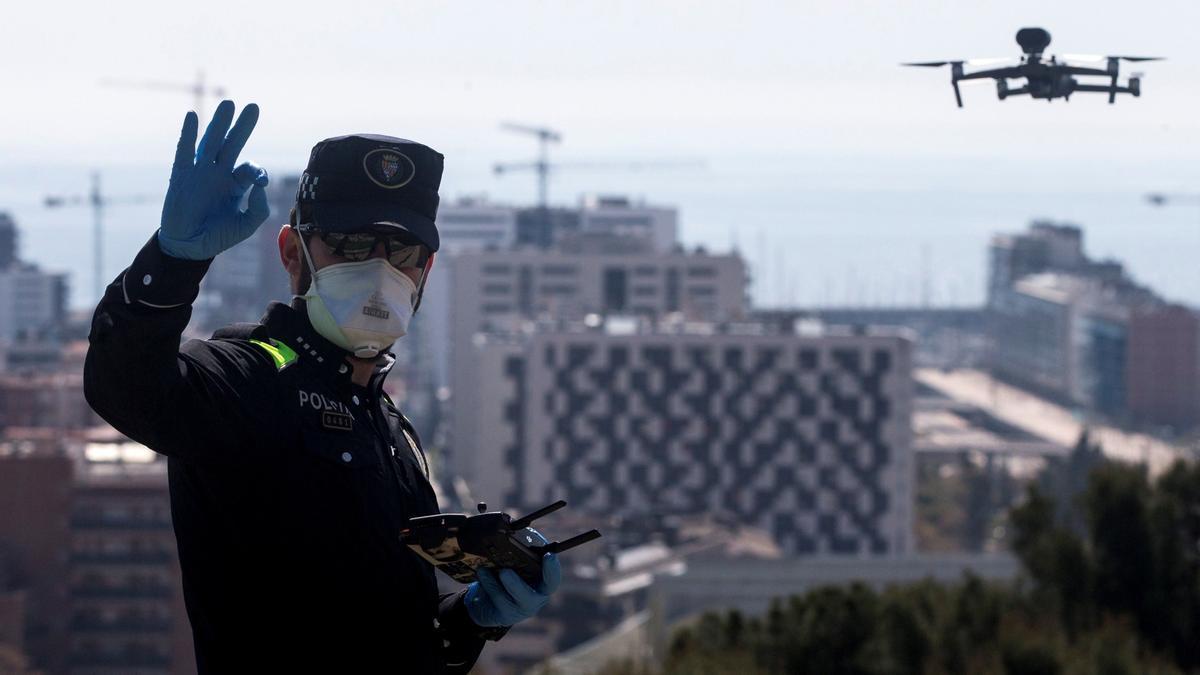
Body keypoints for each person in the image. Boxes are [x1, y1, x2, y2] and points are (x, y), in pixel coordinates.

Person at [84, 100, 560, 673]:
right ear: (293, 254)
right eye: (351, 245)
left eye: (402, 252)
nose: (379, 270)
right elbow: (127, 388)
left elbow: (397, 635)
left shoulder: (388, 424)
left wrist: (472, 617)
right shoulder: (251, 376)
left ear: (425, 272)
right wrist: (171, 263)